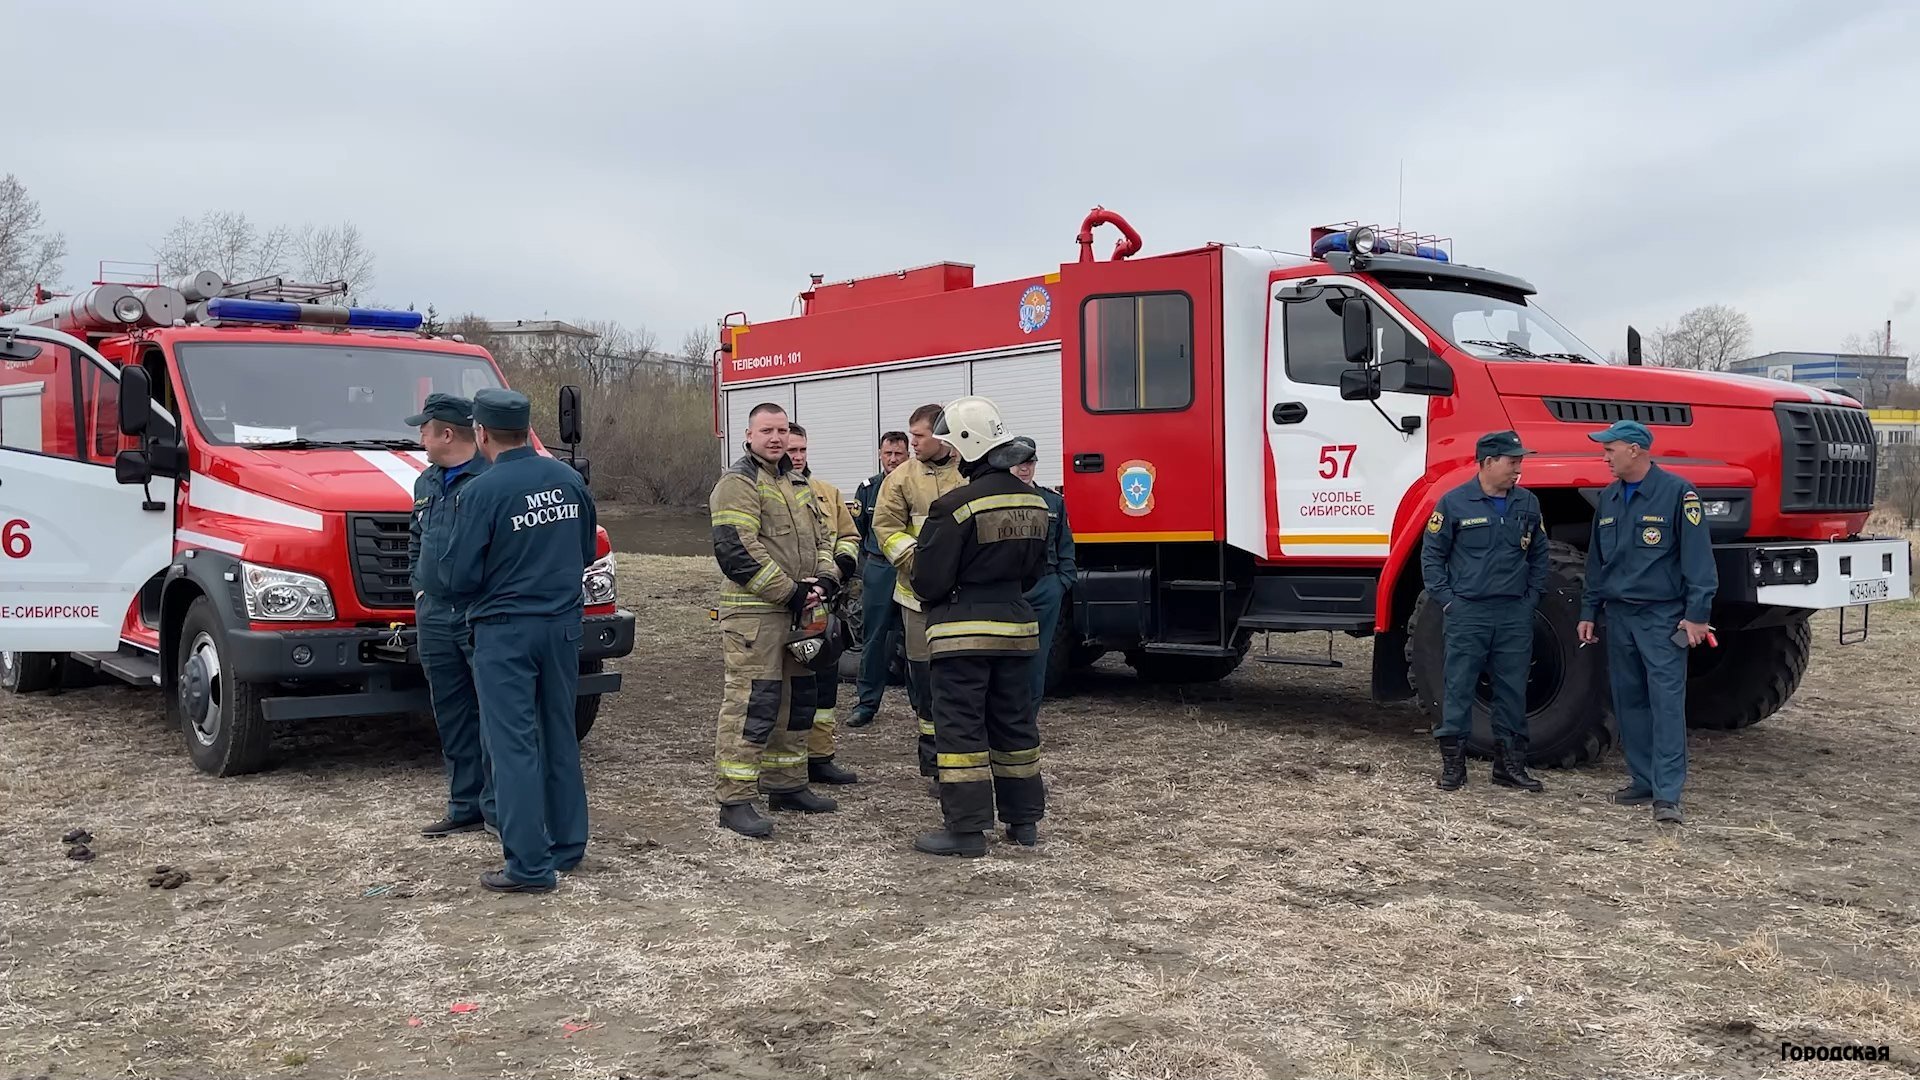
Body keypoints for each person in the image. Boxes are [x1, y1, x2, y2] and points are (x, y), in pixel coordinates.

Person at [441, 388, 598, 893]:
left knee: (511, 746)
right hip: (561, 627)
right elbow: (584, 550)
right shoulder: (569, 480)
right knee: (558, 734)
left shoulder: (481, 491)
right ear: (526, 429)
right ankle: (567, 846)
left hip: (505, 632)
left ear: (481, 433)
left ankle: (529, 866)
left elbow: (460, 575)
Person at [910, 402, 1051, 856]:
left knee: (961, 731)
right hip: (1016, 629)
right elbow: (1034, 573)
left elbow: (929, 579)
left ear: (971, 446)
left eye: (953, 445)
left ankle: (966, 830)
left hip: (961, 635)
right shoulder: (1035, 502)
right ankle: (1023, 821)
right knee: (1014, 723)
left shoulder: (952, 506)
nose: (951, 453)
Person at [708, 402, 845, 837]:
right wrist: (792, 592)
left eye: (782, 430)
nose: (776, 437)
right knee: (753, 703)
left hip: (799, 609)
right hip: (756, 616)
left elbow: (824, 537)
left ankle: (787, 784)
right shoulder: (737, 482)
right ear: (748, 435)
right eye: (766, 430)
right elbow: (737, 551)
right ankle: (735, 799)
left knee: (797, 700)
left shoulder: (795, 480)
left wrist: (825, 578)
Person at [1576, 419, 1717, 825]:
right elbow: (1597, 563)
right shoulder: (1609, 498)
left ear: (1634, 450)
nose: (1604, 456)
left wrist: (1697, 615)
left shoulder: (1677, 494)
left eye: (1610, 449)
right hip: (1619, 616)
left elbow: (1698, 561)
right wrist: (1589, 611)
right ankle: (1643, 779)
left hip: (1662, 617)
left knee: (1666, 703)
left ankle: (1668, 793)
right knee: (1629, 700)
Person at [1419, 430, 1550, 793]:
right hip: (1468, 613)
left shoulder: (1527, 503)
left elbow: (1540, 553)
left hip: (1513, 614)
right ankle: (1453, 766)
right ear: (1488, 463)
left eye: (1520, 461)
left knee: (1512, 691)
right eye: (1512, 462)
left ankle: (1509, 766)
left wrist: (1531, 598)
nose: (1518, 469)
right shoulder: (1454, 503)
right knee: (1459, 687)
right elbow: (1432, 557)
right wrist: (1448, 600)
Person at [405, 392, 497, 839]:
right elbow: (415, 539)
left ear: (446, 433)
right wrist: (419, 590)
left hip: (479, 614)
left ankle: (498, 809)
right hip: (436, 615)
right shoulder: (426, 483)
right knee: (452, 712)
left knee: (494, 712)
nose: (419, 436)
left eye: (423, 428)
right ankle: (465, 806)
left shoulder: (492, 479)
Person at [871, 404, 965, 795]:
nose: (913, 444)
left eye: (920, 436)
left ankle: (965, 760)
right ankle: (935, 767)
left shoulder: (970, 470)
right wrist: (919, 565)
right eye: (911, 436)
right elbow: (886, 526)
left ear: (943, 435)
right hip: (917, 598)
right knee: (924, 681)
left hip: (963, 598)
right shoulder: (901, 478)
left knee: (960, 678)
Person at [784, 422, 862, 785]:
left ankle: (820, 757)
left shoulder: (827, 493)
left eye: (802, 451)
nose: (797, 458)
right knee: (787, 688)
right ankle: (785, 765)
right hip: (783, 603)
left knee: (825, 684)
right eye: (791, 450)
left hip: (826, 602)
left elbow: (848, 536)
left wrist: (838, 571)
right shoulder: (763, 491)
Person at [846, 431, 910, 728]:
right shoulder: (868, 489)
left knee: (916, 638)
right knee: (874, 638)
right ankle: (866, 703)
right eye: (888, 454)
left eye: (899, 454)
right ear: (880, 454)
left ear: (907, 455)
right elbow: (856, 532)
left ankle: (925, 705)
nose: (893, 460)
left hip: (913, 568)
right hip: (880, 568)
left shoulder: (917, 484)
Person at [1010, 453, 1075, 709]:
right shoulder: (1000, 501)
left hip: (1046, 584)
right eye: (1019, 463)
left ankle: (1030, 712)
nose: (1025, 468)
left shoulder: (1053, 502)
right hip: (1010, 587)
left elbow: (1065, 544)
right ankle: (1009, 710)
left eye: (1030, 463)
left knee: (1039, 655)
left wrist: (1062, 583)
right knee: (1008, 653)